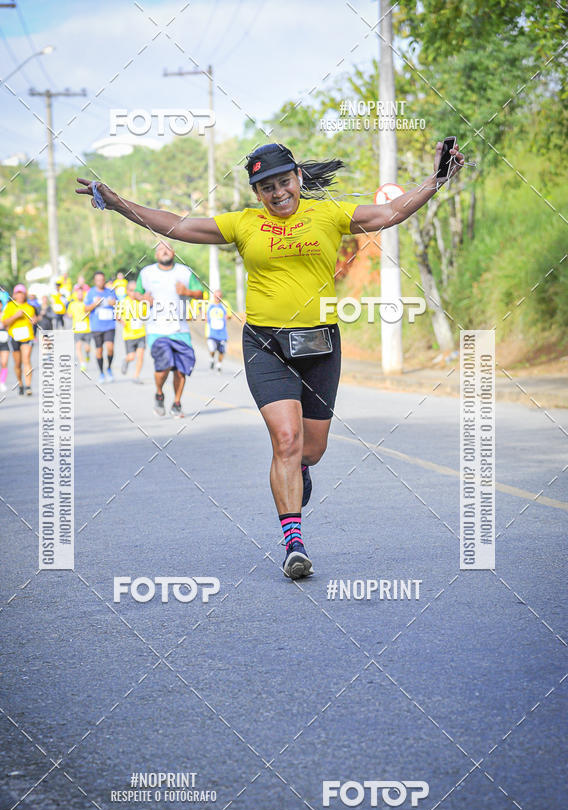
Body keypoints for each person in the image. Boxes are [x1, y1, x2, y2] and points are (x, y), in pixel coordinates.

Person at [76, 139, 464, 578]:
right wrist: (117, 202)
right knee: (285, 439)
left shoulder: (329, 214)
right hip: (266, 345)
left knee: (310, 450)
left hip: (320, 345)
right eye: (267, 187)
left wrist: (437, 180)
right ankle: (293, 543)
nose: (278, 193)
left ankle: (299, 469)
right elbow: (176, 225)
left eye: (284, 182)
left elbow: (390, 213)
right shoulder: (244, 224)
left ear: (298, 178)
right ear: (256, 193)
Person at [133, 242, 203, 417]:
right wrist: (143, 298)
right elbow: (135, 293)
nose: (164, 251)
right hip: (157, 329)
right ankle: (159, 393)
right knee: (163, 367)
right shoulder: (147, 273)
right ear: (156, 255)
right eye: (160, 249)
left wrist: (187, 292)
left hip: (180, 329)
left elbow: (200, 293)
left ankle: (177, 403)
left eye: (167, 248)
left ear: (173, 252)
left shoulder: (185, 272)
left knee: (181, 369)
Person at [1, 283, 39, 396]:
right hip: (14, 337)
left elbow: (35, 319)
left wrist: (34, 320)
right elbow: (4, 322)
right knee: (18, 363)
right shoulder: (10, 307)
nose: (20, 295)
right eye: (18, 293)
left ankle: (28, 386)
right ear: (14, 294)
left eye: (22, 293)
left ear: (25, 294)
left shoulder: (30, 307)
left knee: (26, 359)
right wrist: (16, 316)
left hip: (27, 337)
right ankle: (20, 383)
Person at [84, 270, 117, 383]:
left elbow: (118, 305)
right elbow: (85, 309)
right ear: (95, 281)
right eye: (98, 280)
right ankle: (101, 373)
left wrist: (115, 304)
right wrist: (95, 304)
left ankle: (109, 368)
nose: (100, 282)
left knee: (110, 348)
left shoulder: (110, 291)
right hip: (97, 326)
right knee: (99, 351)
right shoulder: (91, 293)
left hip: (109, 325)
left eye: (102, 280)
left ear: (104, 280)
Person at [116, 279, 146, 383]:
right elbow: (117, 316)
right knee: (132, 357)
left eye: (135, 290)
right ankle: (126, 360)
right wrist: (121, 321)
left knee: (140, 356)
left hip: (141, 333)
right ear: (127, 291)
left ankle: (136, 376)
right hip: (129, 335)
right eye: (131, 290)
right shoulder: (123, 302)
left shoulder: (142, 302)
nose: (133, 293)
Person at [205, 289, 231, 372]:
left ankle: (219, 364)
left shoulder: (225, 304)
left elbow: (229, 315)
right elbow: (204, 314)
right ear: (213, 296)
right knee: (212, 349)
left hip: (222, 332)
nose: (217, 298)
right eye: (216, 296)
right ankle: (212, 358)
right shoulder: (209, 304)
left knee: (222, 350)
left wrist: (228, 317)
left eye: (219, 297)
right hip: (211, 332)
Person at [68, 285, 92, 371]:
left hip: (87, 328)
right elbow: (69, 315)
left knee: (87, 347)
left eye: (81, 294)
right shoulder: (72, 304)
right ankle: (82, 363)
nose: (80, 295)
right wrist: (69, 315)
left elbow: (90, 314)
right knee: (78, 347)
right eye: (78, 294)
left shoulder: (86, 304)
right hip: (77, 329)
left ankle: (88, 354)